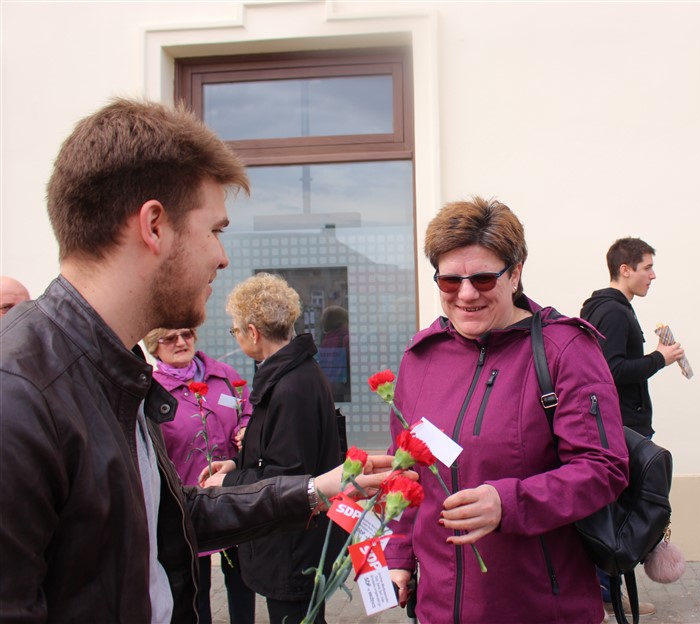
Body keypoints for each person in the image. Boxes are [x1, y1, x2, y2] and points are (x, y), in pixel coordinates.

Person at [0, 98, 404, 623]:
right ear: (154, 226)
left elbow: (170, 517)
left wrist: (314, 490)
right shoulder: (20, 394)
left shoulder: (113, 371)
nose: (223, 256)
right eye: (215, 230)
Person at [385, 197, 629, 624]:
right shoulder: (421, 358)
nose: (466, 295)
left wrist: (509, 503)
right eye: (450, 281)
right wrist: (399, 555)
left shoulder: (564, 350)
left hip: (539, 608)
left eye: (483, 279)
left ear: (515, 273)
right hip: (439, 609)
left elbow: (604, 468)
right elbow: (406, 470)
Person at [203, 273, 342, 624]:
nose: (236, 336)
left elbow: (287, 476)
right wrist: (236, 464)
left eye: (235, 330)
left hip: (292, 547)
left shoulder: (290, 385)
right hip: (295, 542)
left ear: (253, 332)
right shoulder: (295, 373)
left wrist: (227, 484)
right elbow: (277, 452)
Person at [580, 236, 684, 617]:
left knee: (612, 515)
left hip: (620, 426)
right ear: (625, 270)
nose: (652, 276)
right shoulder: (613, 311)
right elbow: (611, 370)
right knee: (617, 519)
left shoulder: (609, 308)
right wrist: (659, 358)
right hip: (623, 429)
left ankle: (605, 593)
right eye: (647, 267)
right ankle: (607, 595)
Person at [144, 326, 256, 624]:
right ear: (154, 346)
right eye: (170, 338)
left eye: (187, 334)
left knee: (242, 579)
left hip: (233, 492)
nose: (181, 342)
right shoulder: (152, 389)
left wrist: (246, 427)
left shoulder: (223, 376)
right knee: (196, 587)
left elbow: (247, 409)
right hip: (187, 502)